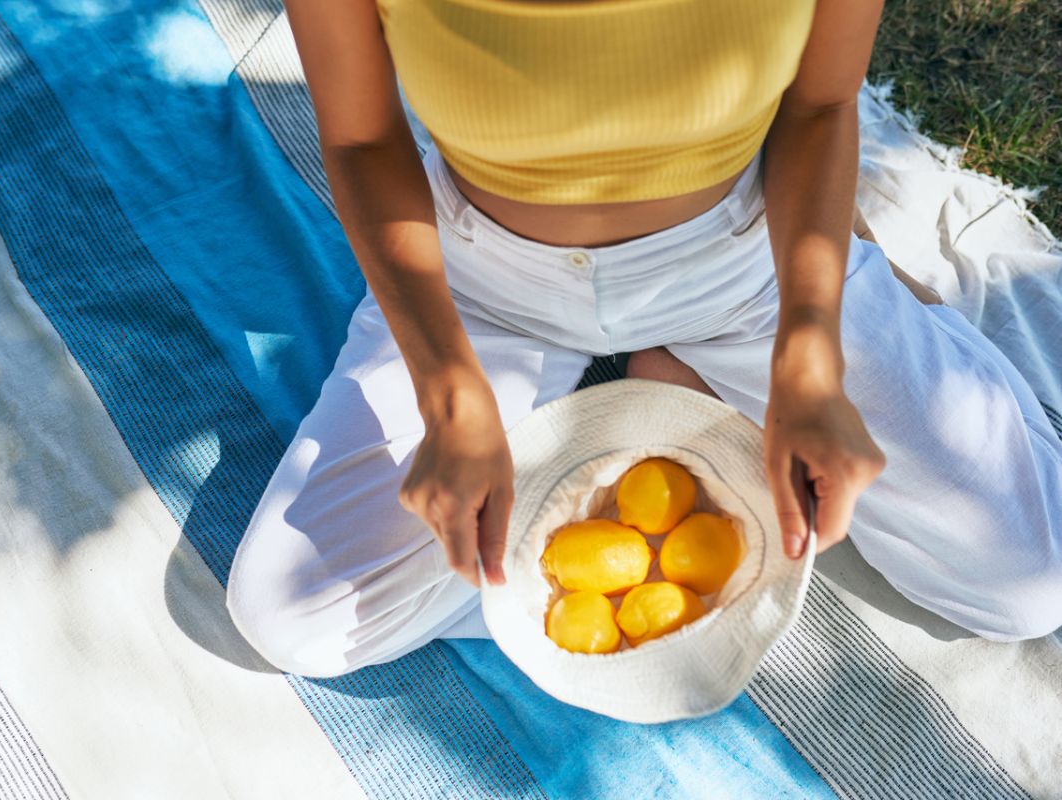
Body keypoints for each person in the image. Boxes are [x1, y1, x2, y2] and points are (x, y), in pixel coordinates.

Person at [225, 0, 1062, 678]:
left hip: (744, 263)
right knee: (296, 621)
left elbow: (819, 103)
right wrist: (450, 395)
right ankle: (667, 381)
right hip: (485, 284)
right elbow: (361, 138)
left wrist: (809, 356)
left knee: (1032, 585)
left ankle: (866, 280)